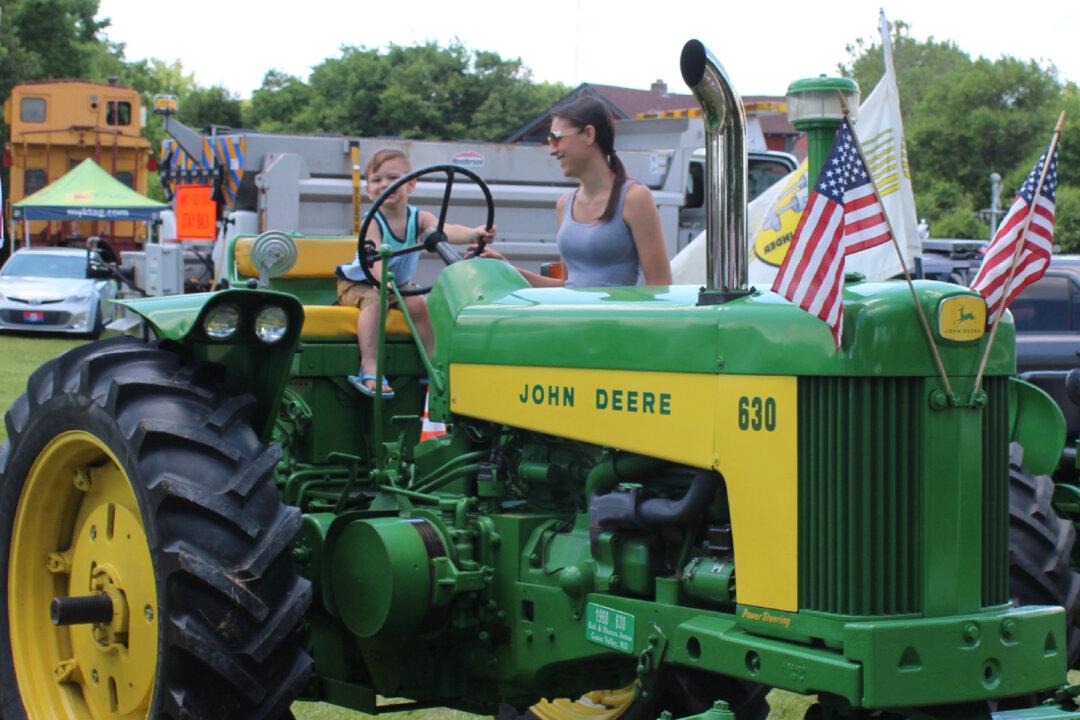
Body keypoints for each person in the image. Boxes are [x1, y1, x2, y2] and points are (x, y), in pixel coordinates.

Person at [338, 149, 494, 397]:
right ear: (369, 190)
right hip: (362, 282)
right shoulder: (373, 222)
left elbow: (445, 231)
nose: (385, 184)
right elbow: (374, 258)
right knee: (375, 305)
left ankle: (435, 365)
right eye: (377, 180)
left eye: (393, 178)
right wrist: (383, 282)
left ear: (411, 184)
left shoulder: (419, 217)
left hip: (398, 284)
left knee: (422, 305)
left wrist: (473, 234)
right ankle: (370, 367)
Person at [475, 96, 672, 288]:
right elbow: (567, 287)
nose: (552, 150)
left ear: (589, 134)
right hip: (572, 321)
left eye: (556, 138)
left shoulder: (634, 198)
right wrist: (505, 268)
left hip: (613, 322)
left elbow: (660, 286)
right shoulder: (565, 204)